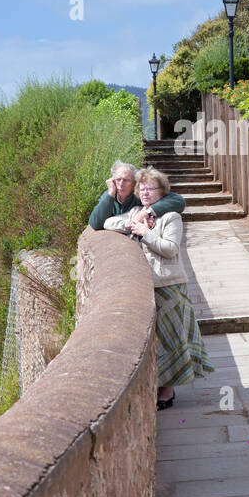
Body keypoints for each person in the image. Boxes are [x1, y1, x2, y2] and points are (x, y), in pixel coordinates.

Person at [104, 166, 212, 409]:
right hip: (147, 285)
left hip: (169, 285)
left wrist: (146, 233)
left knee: (171, 339)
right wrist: (134, 221)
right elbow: (108, 223)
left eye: (150, 189)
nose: (144, 192)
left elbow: (170, 248)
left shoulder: (171, 217)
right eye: (141, 189)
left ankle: (168, 392)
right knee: (156, 340)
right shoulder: (135, 212)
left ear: (161, 193)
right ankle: (159, 386)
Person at [87, 159, 185, 230]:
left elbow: (178, 201)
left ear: (134, 183)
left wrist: (147, 212)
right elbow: (95, 224)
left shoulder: (140, 195)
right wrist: (111, 194)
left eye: (126, 180)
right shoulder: (109, 195)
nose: (121, 184)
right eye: (118, 179)